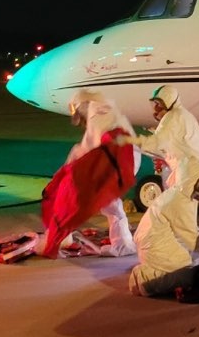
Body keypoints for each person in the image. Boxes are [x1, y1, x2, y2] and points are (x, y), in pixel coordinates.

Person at [120, 84, 199, 296]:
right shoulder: (178, 116)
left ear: (170, 102)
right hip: (188, 174)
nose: (155, 109)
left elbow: (157, 142)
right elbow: (167, 146)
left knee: (180, 223)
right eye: (154, 104)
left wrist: (130, 140)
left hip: (189, 176)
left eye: (159, 104)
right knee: (174, 218)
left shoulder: (174, 117)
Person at [39, 90, 139, 258]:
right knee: (110, 204)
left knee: (108, 204)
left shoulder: (97, 116)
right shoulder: (104, 109)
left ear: (82, 108)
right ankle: (122, 243)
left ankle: (123, 244)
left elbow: (90, 149)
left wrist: (67, 171)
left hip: (115, 164)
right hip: (122, 161)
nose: (81, 122)